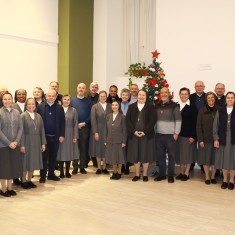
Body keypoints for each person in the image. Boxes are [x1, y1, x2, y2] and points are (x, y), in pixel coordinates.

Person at [126, 90, 156, 182]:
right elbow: (128, 120)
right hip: (134, 136)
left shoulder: (150, 107)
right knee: (136, 155)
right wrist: (133, 131)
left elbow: (152, 120)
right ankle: (137, 174)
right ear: (137, 96)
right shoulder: (131, 106)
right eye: (140, 95)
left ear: (146, 97)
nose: (141, 97)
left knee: (145, 154)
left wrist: (145, 132)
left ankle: (145, 175)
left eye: (143, 95)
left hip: (146, 136)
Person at [37, 89, 65, 183]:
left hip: (56, 137)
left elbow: (62, 123)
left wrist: (62, 135)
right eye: (49, 96)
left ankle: (51, 174)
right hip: (44, 137)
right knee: (44, 157)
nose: (51, 97)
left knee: (53, 156)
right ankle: (42, 175)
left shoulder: (59, 107)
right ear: (45, 96)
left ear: (56, 97)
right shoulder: (40, 107)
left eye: (53, 96)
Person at [155, 87, 182, 183]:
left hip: (171, 135)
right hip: (159, 135)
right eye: (162, 93)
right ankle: (162, 174)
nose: (164, 94)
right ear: (160, 94)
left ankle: (171, 175)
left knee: (171, 156)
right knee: (160, 156)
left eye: (165, 92)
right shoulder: (157, 105)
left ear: (168, 93)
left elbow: (178, 120)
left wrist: (176, 133)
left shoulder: (174, 106)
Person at [0, 92, 23, 197]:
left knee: (12, 167)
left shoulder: (17, 112)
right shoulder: (0, 112)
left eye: (9, 99)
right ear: (2, 100)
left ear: (12, 100)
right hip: (3, 145)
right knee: (4, 167)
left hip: (15, 144)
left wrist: (16, 141)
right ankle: (3, 189)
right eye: (5, 99)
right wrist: (9, 143)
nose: (7, 101)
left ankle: (10, 187)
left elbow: (20, 128)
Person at [20, 98, 46, 189]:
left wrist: (43, 143)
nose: (31, 106)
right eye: (29, 104)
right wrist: (22, 144)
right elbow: (20, 131)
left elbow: (42, 130)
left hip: (36, 141)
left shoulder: (38, 116)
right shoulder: (22, 116)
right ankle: (23, 181)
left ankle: (29, 180)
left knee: (33, 161)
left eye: (33, 104)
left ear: (35, 105)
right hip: (26, 141)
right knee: (25, 162)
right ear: (26, 106)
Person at [213, 92, 235, 190]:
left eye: (232, 98)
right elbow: (215, 126)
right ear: (225, 99)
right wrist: (216, 138)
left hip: (233, 140)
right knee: (224, 160)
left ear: (234, 99)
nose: (230, 99)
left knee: (233, 160)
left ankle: (231, 180)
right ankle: (225, 180)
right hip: (222, 138)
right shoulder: (220, 110)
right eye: (228, 98)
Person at [176, 88, 197, 181]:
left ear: (188, 95)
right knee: (180, 155)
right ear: (179, 95)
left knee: (188, 155)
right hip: (177, 135)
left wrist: (193, 136)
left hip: (188, 135)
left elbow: (195, 123)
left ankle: (186, 173)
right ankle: (181, 172)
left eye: (186, 94)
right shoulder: (176, 106)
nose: (183, 96)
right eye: (182, 94)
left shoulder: (192, 107)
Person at [197, 92, 218, 185]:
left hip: (217, 139)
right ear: (206, 99)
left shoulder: (220, 110)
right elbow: (198, 126)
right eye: (208, 98)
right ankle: (207, 176)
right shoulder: (202, 110)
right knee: (205, 159)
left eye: (212, 97)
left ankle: (213, 176)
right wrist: (200, 139)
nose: (210, 99)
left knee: (215, 159)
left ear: (215, 98)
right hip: (205, 139)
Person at [71, 83, 92, 174]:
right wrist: (76, 124)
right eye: (79, 87)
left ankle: (82, 166)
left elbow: (91, 114)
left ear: (85, 90)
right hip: (74, 128)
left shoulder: (88, 101)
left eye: (83, 88)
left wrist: (84, 123)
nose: (81, 89)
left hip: (85, 127)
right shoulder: (72, 100)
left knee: (84, 148)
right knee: (75, 148)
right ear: (77, 88)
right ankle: (75, 166)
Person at [90, 91, 112, 174]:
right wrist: (95, 132)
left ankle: (105, 167)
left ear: (106, 97)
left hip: (108, 130)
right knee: (98, 149)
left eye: (104, 96)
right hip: (98, 130)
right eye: (101, 96)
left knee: (106, 150)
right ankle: (99, 167)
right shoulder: (94, 107)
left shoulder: (110, 106)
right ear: (99, 97)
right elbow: (93, 120)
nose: (103, 98)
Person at [57, 94, 79, 178]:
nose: (66, 101)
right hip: (60, 134)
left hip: (70, 134)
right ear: (62, 100)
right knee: (61, 153)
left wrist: (75, 136)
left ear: (70, 101)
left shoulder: (74, 110)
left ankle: (67, 172)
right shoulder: (58, 109)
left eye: (68, 99)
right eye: (65, 99)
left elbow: (76, 123)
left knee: (69, 153)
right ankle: (61, 172)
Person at [105, 101, 127, 180]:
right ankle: (114, 172)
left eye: (116, 105)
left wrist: (124, 141)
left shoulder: (122, 117)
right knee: (113, 157)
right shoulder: (108, 116)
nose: (114, 106)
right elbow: (105, 129)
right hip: (110, 140)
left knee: (119, 158)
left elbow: (125, 130)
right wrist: (105, 139)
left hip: (119, 141)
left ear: (119, 106)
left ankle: (119, 172)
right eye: (113, 105)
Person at [189, 80, 206, 172]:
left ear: (204, 87)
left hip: (204, 126)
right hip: (192, 125)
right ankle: (191, 164)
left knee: (202, 146)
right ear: (194, 87)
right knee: (191, 146)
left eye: (201, 86)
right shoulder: (190, 97)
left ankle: (203, 165)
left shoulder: (208, 97)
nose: (199, 87)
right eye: (197, 86)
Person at [87, 81, 99, 167]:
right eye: (92, 87)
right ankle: (86, 160)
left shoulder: (100, 97)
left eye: (95, 87)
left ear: (97, 89)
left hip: (97, 123)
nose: (94, 88)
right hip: (87, 123)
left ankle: (95, 162)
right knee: (87, 143)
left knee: (96, 143)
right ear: (89, 88)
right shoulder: (85, 97)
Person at [120, 88, 131, 174]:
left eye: (126, 95)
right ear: (121, 95)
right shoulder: (117, 105)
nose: (124, 96)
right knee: (120, 149)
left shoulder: (131, 106)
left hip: (128, 130)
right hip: (119, 130)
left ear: (129, 96)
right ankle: (121, 166)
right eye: (123, 95)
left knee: (127, 149)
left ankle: (126, 166)